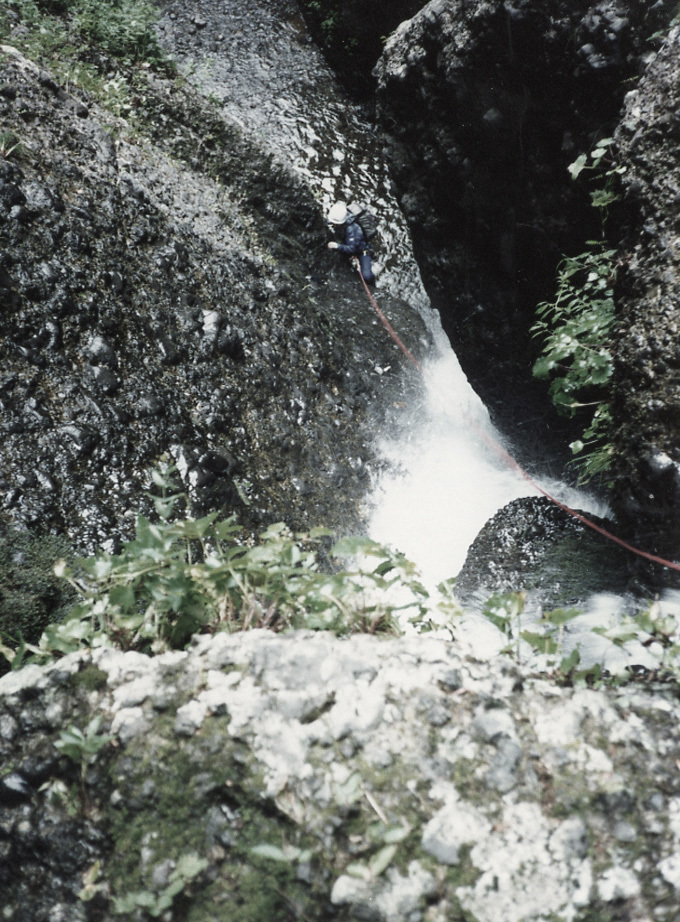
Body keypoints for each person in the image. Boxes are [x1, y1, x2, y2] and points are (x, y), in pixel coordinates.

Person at [327, 201, 375, 284]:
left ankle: (372, 284)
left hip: (361, 249)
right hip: (347, 243)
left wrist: (337, 246)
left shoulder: (353, 229)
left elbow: (352, 249)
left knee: (366, 276)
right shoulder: (337, 217)